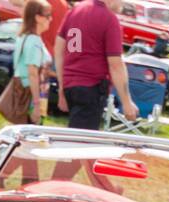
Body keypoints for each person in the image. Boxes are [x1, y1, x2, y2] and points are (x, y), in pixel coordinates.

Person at [54, 0, 137, 128]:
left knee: (74, 135)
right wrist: (126, 102)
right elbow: (116, 65)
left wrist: (62, 86)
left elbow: (58, 49)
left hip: (71, 84)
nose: (122, 4)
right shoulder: (109, 19)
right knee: (81, 143)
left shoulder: (75, 10)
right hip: (90, 87)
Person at [0, 0, 53, 124]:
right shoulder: (34, 41)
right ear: (38, 18)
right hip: (30, 94)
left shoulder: (25, 37)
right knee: (31, 136)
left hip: (27, 90)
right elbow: (32, 73)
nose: (51, 19)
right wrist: (37, 105)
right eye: (48, 16)